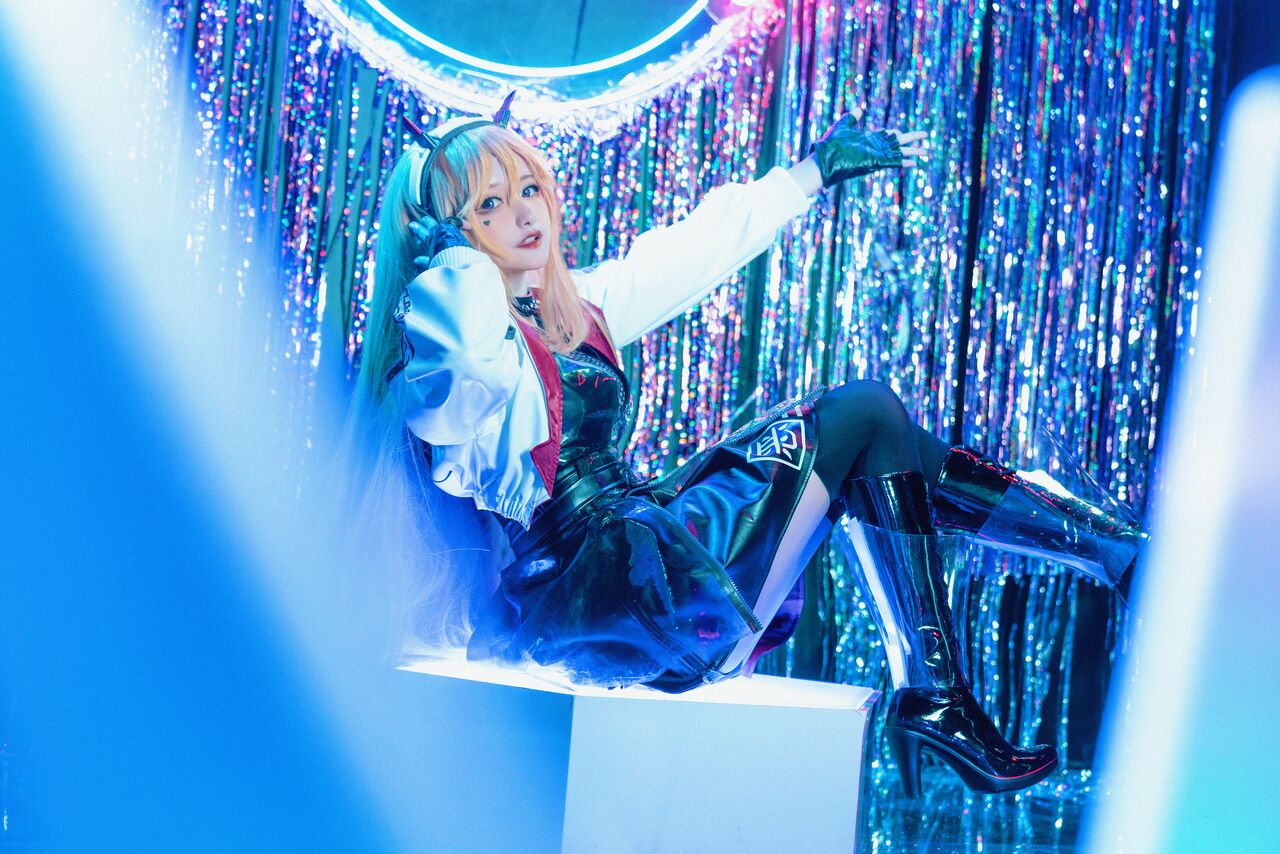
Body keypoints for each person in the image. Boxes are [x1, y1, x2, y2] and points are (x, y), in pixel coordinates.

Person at [351, 96, 1146, 797]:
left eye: (531, 189)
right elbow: (462, 373)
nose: (526, 214)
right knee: (865, 411)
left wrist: (811, 173)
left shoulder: (579, 307)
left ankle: (1072, 578)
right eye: (490, 206)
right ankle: (1027, 612)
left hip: (648, 551)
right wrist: (450, 260)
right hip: (598, 596)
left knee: (879, 437)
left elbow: (688, 251)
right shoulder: (452, 356)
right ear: (451, 235)